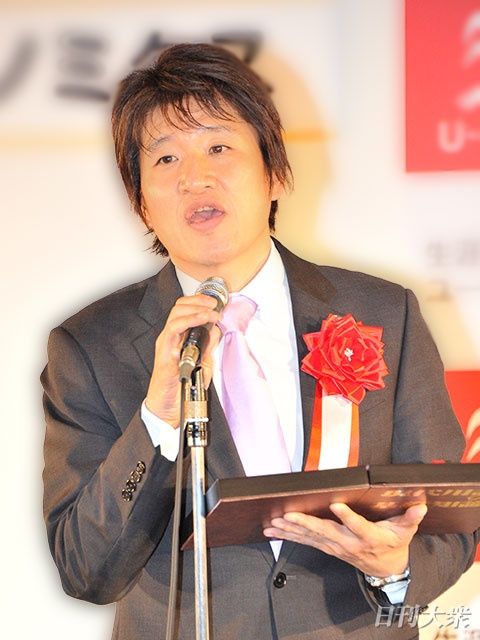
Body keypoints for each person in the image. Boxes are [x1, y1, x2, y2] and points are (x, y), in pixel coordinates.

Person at [42, 43, 477, 640]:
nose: (195, 176)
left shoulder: (384, 314)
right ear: (141, 203)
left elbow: (451, 516)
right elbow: (85, 569)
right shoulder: (91, 347)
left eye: (219, 147)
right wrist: (156, 420)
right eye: (165, 158)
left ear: (274, 174)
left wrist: (396, 568)